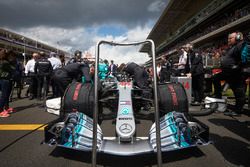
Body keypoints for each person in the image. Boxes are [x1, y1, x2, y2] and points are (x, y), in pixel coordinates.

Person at [212, 32, 246, 116]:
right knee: (215, 78)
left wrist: (238, 66)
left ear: (237, 38)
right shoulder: (233, 47)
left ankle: (238, 110)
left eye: (231, 38)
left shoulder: (240, 45)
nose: (228, 40)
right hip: (228, 72)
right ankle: (218, 96)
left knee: (238, 91)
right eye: (228, 38)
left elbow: (245, 57)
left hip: (236, 73)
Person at [0, 49, 16, 117]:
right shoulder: (5, 62)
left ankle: (6, 108)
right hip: (5, 80)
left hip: (4, 79)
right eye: (10, 56)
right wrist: (12, 62)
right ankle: (0, 111)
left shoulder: (3, 61)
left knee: (6, 95)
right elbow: (13, 69)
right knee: (4, 95)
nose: (12, 57)